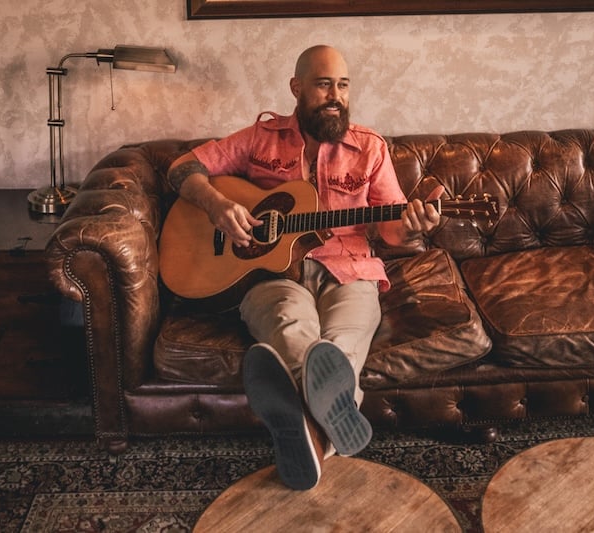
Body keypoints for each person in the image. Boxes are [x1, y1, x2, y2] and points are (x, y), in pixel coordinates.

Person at [166, 45, 442, 490]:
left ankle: (304, 434)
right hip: (270, 272)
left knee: (341, 344)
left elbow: (393, 231)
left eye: (343, 85)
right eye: (324, 84)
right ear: (297, 88)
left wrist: (412, 226)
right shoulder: (259, 139)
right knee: (289, 324)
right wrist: (216, 205)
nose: (336, 96)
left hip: (350, 268)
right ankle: (325, 429)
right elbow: (184, 168)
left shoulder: (370, 148)